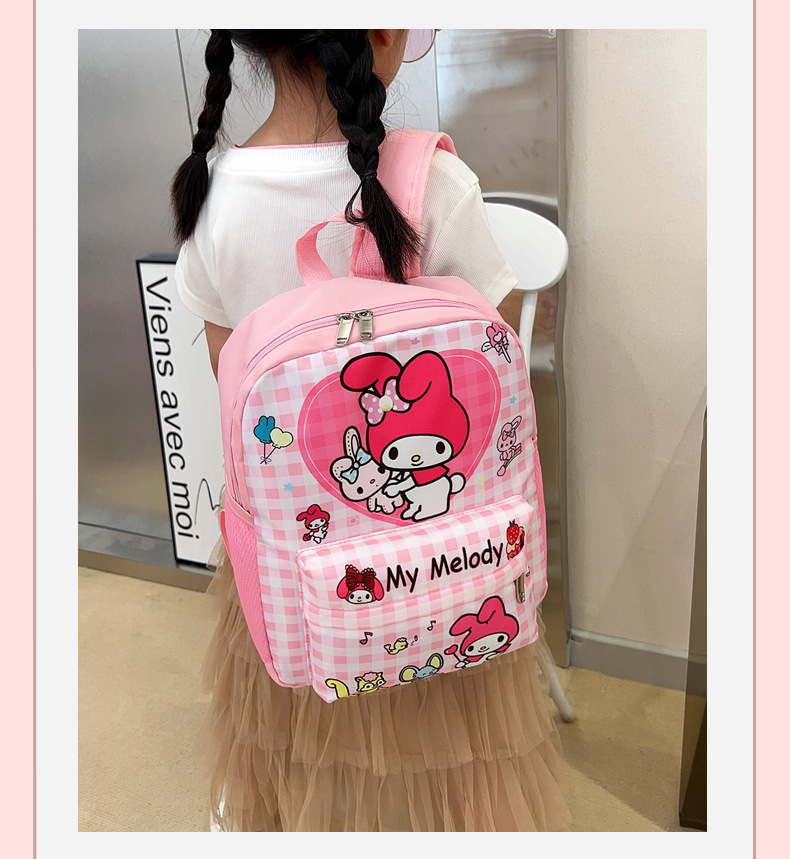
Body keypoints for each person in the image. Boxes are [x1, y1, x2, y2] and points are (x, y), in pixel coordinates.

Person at [171, 29, 570, 832]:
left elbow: (229, 377)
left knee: (302, 764)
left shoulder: (213, 194)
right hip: (442, 580)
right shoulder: (435, 180)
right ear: (381, 34)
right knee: (454, 773)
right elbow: (494, 374)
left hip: (297, 579)